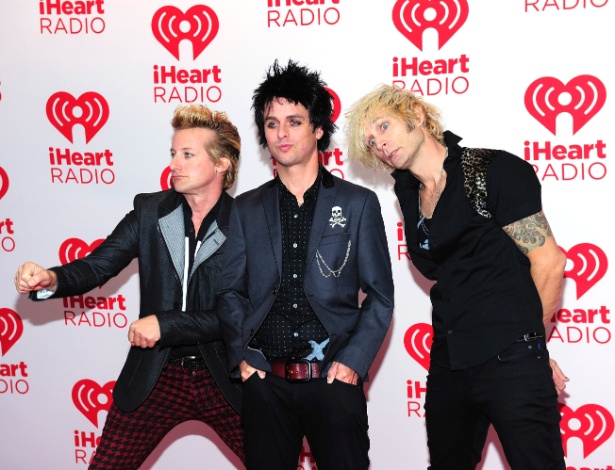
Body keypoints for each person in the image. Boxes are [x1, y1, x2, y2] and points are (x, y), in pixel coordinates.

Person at [345, 84, 568, 470]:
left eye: (383, 126)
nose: (378, 143)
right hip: (449, 361)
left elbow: (549, 263)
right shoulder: (410, 195)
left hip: (510, 357)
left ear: (416, 115)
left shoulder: (492, 169)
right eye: (370, 140)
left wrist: (532, 346)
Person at [14, 104, 244, 469]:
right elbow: (98, 265)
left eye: (187, 154)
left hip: (227, 377)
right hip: (156, 374)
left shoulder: (247, 224)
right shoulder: (150, 212)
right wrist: (52, 278)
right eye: (173, 154)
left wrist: (165, 325)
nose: (175, 164)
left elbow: (239, 315)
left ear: (221, 164)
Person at [216, 60, 394, 470]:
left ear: (318, 129)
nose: (281, 133)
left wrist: (353, 361)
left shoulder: (357, 204)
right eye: (272, 122)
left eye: (294, 121)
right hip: (265, 385)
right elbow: (229, 291)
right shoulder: (245, 208)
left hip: (334, 381)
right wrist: (244, 358)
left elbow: (381, 296)